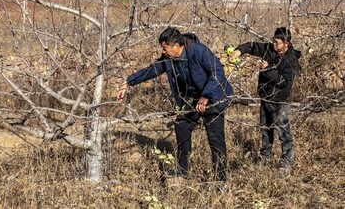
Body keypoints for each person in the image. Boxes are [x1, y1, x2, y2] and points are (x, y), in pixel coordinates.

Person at [117, 27, 233, 186]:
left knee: (215, 137)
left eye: (165, 48)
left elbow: (217, 72)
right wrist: (128, 82)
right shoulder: (168, 59)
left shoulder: (199, 51)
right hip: (192, 99)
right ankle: (183, 170)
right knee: (182, 126)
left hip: (213, 95)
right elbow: (152, 70)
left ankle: (220, 179)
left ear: (176, 46)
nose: (163, 51)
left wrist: (205, 97)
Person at [227, 27, 301, 177]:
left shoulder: (291, 60)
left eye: (278, 43)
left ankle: (286, 162)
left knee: (283, 132)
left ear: (287, 43)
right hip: (265, 97)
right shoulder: (268, 49)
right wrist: (239, 50)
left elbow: (284, 82)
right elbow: (252, 46)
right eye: (273, 41)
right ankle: (264, 157)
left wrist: (267, 70)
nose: (274, 44)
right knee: (265, 130)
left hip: (280, 101)